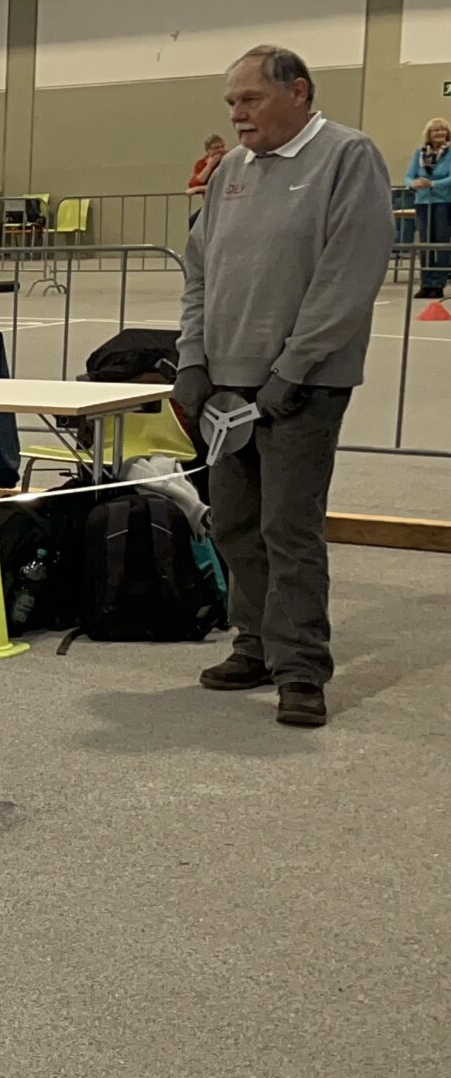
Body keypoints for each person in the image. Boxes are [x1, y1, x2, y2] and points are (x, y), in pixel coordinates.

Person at [174, 46, 392, 729]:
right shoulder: (229, 172)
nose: (237, 115)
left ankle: (301, 670)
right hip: (227, 387)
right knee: (236, 524)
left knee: (289, 528)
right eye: (231, 103)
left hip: (305, 384)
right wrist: (192, 361)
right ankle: (255, 644)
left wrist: (293, 368)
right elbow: (199, 272)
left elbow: (348, 275)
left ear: (298, 92)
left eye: (251, 100)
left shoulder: (348, 157)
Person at [409, 117, 450, 299]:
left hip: (443, 202)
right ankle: (426, 283)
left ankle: (438, 283)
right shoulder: (419, 154)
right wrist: (413, 183)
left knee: (440, 243)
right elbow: (409, 175)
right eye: (436, 130)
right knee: (425, 244)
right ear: (429, 134)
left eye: (443, 129)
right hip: (423, 202)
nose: (440, 133)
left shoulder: (449, 153)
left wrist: (433, 184)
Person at [189, 133, 228, 200]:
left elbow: (223, 186)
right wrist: (209, 166)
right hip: (211, 202)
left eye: (222, 147)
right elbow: (193, 185)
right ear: (208, 151)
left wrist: (199, 189)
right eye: (216, 148)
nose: (221, 150)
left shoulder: (230, 161)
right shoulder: (201, 163)